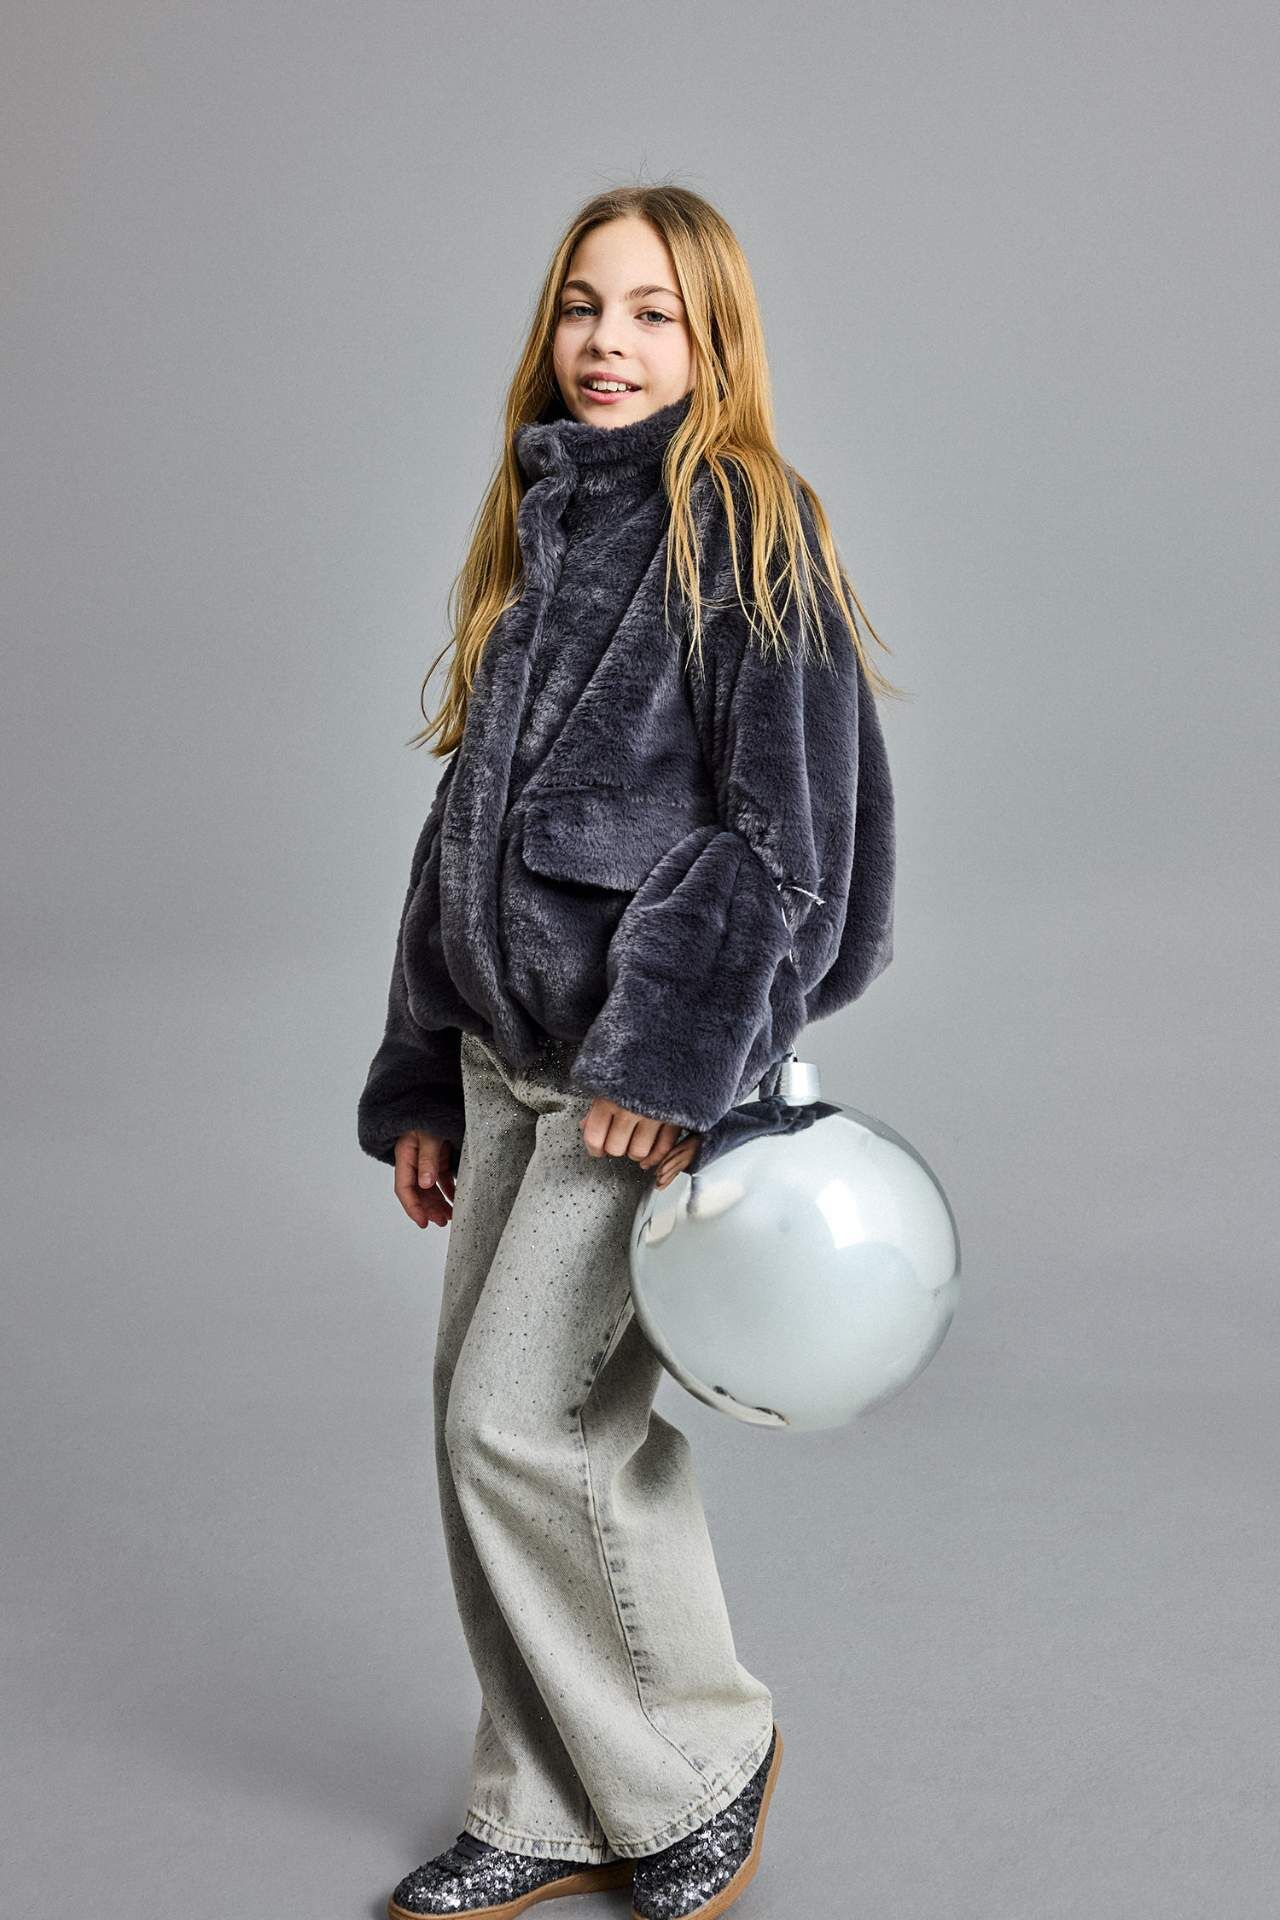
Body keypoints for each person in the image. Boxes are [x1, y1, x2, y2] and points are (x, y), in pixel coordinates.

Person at [356, 183, 899, 1920]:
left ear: (715, 338)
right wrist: (422, 1070)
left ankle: (696, 1760)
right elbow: (466, 836)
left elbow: (786, 852)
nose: (609, 343)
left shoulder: (748, 528)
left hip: (629, 1084)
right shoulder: (545, 525)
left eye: (654, 313)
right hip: (506, 1067)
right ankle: (543, 1799)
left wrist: (667, 1069)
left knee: (532, 1425)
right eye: (585, 307)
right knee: (480, 1431)